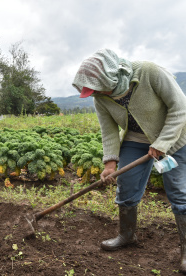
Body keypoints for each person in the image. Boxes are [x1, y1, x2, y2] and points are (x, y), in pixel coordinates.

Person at [72, 49, 186, 273]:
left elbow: (180, 107)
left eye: (98, 88)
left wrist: (162, 143)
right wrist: (110, 163)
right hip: (136, 140)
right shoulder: (100, 96)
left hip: (174, 138)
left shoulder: (149, 73)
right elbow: (109, 130)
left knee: (179, 192)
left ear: (112, 78)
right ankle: (127, 235)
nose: (97, 93)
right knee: (127, 186)